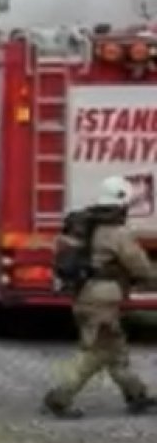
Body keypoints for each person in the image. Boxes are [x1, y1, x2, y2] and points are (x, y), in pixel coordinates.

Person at [42, 176, 157, 419]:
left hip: (84, 295)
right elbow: (141, 267)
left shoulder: (84, 226)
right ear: (122, 203)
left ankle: (137, 394)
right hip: (103, 300)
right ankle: (60, 397)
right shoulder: (116, 233)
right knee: (96, 352)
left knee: (115, 350)